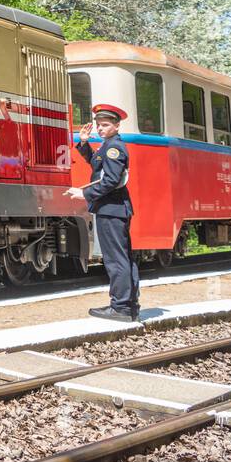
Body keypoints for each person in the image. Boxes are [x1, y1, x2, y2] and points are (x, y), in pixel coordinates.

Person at [69, 103, 140, 322]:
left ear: (117, 126)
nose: (100, 128)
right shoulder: (108, 145)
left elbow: (110, 180)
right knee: (124, 258)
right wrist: (83, 143)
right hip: (115, 209)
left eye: (105, 125)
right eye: (99, 125)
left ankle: (120, 307)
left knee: (115, 259)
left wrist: (86, 194)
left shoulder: (114, 147)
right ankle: (129, 306)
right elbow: (98, 165)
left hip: (111, 209)